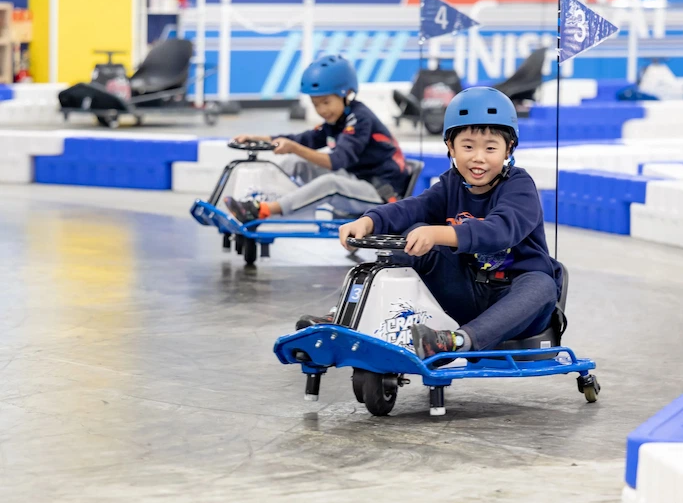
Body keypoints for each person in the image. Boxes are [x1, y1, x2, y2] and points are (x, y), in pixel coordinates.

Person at [299, 86, 562, 361]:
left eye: (491, 148)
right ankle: (344, 317)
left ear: (508, 148)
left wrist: (439, 232)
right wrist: (370, 220)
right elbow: (415, 207)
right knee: (413, 236)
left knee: (542, 285)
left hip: (518, 303)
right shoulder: (451, 183)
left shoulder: (519, 186)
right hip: (469, 294)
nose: (479, 157)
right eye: (468, 147)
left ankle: (456, 342)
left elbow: (500, 231)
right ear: (451, 147)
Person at [223, 55, 410, 222]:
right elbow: (304, 139)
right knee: (296, 162)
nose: (321, 110)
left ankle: (262, 211)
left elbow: (335, 161)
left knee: (330, 184)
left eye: (326, 102)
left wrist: (294, 147)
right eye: (315, 104)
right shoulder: (337, 119)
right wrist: (258, 138)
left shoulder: (360, 118)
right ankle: (260, 200)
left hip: (381, 192)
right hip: (357, 179)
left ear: (346, 94)